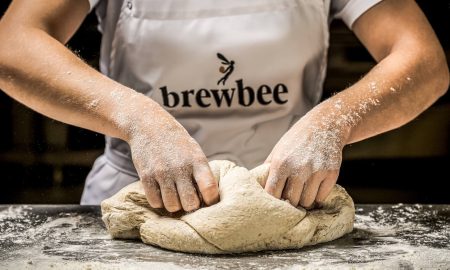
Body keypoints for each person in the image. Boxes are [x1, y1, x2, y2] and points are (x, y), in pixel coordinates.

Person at [0, 0, 448, 213]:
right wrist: (136, 118)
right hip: (139, 197)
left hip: (286, 200)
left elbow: (424, 61)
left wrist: (335, 120)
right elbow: (11, 44)